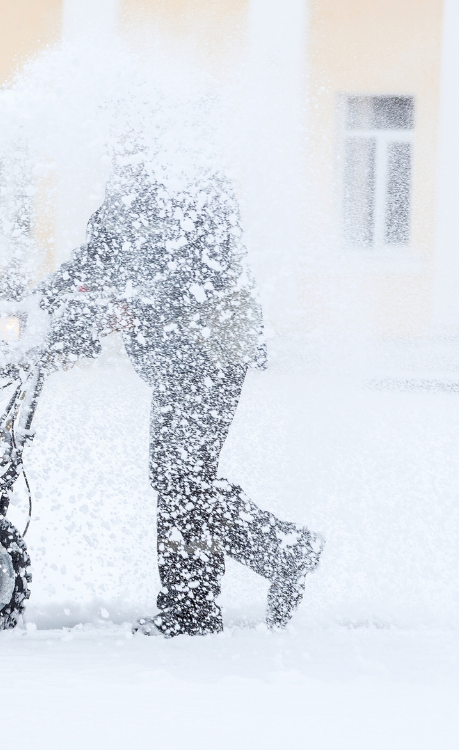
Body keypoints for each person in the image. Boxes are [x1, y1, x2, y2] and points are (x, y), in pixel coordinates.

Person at [36, 148, 324, 636]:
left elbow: (200, 272)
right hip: (175, 361)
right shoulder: (127, 191)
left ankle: (211, 597)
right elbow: (94, 258)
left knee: (180, 478)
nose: (121, 143)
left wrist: (132, 304)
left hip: (213, 350)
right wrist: (36, 305)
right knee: (178, 479)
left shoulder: (199, 182)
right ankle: (265, 562)